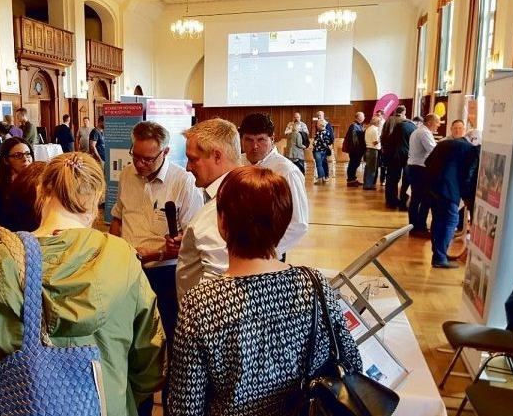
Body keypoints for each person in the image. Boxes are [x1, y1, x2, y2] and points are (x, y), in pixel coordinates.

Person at [0, 152, 166, 416]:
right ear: (96, 201)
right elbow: (149, 361)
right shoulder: (122, 258)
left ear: (41, 192)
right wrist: (118, 396)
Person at [168, 166, 362, 416]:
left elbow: (186, 406)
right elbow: (352, 363)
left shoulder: (202, 303)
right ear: (283, 221)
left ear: (222, 222)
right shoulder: (314, 283)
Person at [109, 121, 204, 415]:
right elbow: (118, 219)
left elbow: (193, 237)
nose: (139, 163)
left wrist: (163, 250)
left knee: (170, 346)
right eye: (134, 155)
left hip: (165, 275)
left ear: (164, 152)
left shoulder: (183, 182)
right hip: (129, 271)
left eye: (147, 158)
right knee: (135, 347)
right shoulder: (127, 174)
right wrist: (111, 253)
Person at [175, 118, 241, 299]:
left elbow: (219, 281)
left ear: (217, 156)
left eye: (193, 159)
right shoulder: (247, 191)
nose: (188, 168)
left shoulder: (222, 207)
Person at [238, 113, 308, 261]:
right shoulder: (237, 164)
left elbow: (298, 222)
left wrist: (267, 252)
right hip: (236, 250)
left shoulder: (285, 171)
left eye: (261, 140)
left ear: (272, 139)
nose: (254, 146)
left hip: (268, 253)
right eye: (248, 140)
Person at [424, 126, 480, 269]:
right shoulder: (470, 149)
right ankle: (439, 257)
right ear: (473, 139)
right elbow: (468, 175)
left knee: (437, 221)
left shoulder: (444, 143)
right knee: (450, 221)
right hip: (449, 191)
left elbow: (427, 162)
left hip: (433, 187)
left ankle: (438, 253)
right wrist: (467, 196)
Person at [0, 137, 35, 230]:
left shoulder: (39, 183)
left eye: (28, 154)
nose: (25, 159)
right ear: (6, 160)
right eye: (17, 155)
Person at [406, 113, 439, 237]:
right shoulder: (424, 133)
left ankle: (415, 226)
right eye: (437, 122)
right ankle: (419, 227)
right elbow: (434, 151)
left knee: (416, 198)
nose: (438, 125)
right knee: (424, 199)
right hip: (420, 168)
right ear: (430, 122)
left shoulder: (418, 131)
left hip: (414, 167)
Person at [383, 105, 415, 210]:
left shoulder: (388, 120)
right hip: (406, 154)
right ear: (404, 112)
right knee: (406, 178)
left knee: (391, 178)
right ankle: (403, 202)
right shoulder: (408, 124)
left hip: (391, 153)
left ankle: (391, 201)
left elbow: (384, 136)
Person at [343, 112, 366, 187]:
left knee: (355, 164)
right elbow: (353, 139)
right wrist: (356, 149)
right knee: (353, 164)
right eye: (362, 116)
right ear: (358, 117)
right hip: (355, 150)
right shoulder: (354, 126)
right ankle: (350, 180)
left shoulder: (359, 125)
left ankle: (353, 179)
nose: (364, 118)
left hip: (357, 149)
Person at [362, 115, 381, 190]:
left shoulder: (368, 128)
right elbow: (375, 142)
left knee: (368, 168)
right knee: (372, 168)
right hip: (373, 150)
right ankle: (368, 185)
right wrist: (381, 139)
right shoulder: (375, 130)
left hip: (368, 149)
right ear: (377, 122)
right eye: (379, 122)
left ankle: (367, 183)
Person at [312, 119, 333, 185]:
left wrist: (314, 143)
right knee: (321, 164)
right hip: (323, 151)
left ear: (320, 125)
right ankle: (323, 178)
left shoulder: (320, 132)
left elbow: (320, 142)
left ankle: (320, 179)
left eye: (317, 124)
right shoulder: (327, 132)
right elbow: (328, 142)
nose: (316, 125)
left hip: (318, 151)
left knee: (319, 165)